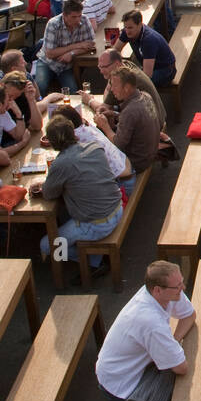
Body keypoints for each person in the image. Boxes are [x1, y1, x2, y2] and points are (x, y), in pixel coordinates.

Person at [95, 261, 195, 401]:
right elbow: (181, 368)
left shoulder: (164, 292)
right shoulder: (149, 320)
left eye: (182, 282)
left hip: (129, 367)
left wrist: (172, 343)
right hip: (120, 385)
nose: (183, 288)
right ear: (157, 290)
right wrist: (170, 351)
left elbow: (189, 315)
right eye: (177, 286)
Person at [40, 115, 125, 279]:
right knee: (65, 215)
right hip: (117, 208)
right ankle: (92, 257)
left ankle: (92, 261)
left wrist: (44, 185)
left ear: (52, 142)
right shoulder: (94, 147)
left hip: (97, 223)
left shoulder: (61, 164)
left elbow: (49, 194)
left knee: (47, 245)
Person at [94, 64, 160, 180]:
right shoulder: (145, 96)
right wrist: (114, 114)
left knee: (94, 157)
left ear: (127, 88)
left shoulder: (129, 112)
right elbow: (136, 121)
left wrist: (105, 126)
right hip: (149, 153)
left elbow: (118, 144)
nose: (112, 90)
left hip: (137, 162)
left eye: (114, 86)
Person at [55, 104, 131, 185]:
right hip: (123, 163)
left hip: (120, 179)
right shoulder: (85, 126)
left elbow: (69, 165)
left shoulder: (75, 138)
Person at [35, 0, 96, 95]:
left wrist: (71, 53)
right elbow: (49, 53)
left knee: (73, 91)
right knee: (40, 86)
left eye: (79, 16)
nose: (78, 19)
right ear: (64, 15)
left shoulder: (84, 20)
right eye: (74, 17)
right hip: (47, 63)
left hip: (66, 66)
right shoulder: (53, 24)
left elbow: (91, 45)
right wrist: (77, 45)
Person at [113, 9, 176, 85]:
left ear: (140, 24)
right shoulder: (126, 32)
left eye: (130, 28)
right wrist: (118, 67)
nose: (127, 31)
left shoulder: (148, 40)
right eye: (125, 27)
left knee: (130, 83)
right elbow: (114, 52)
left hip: (165, 70)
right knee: (121, 78)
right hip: (150, 67)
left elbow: (147, 76)